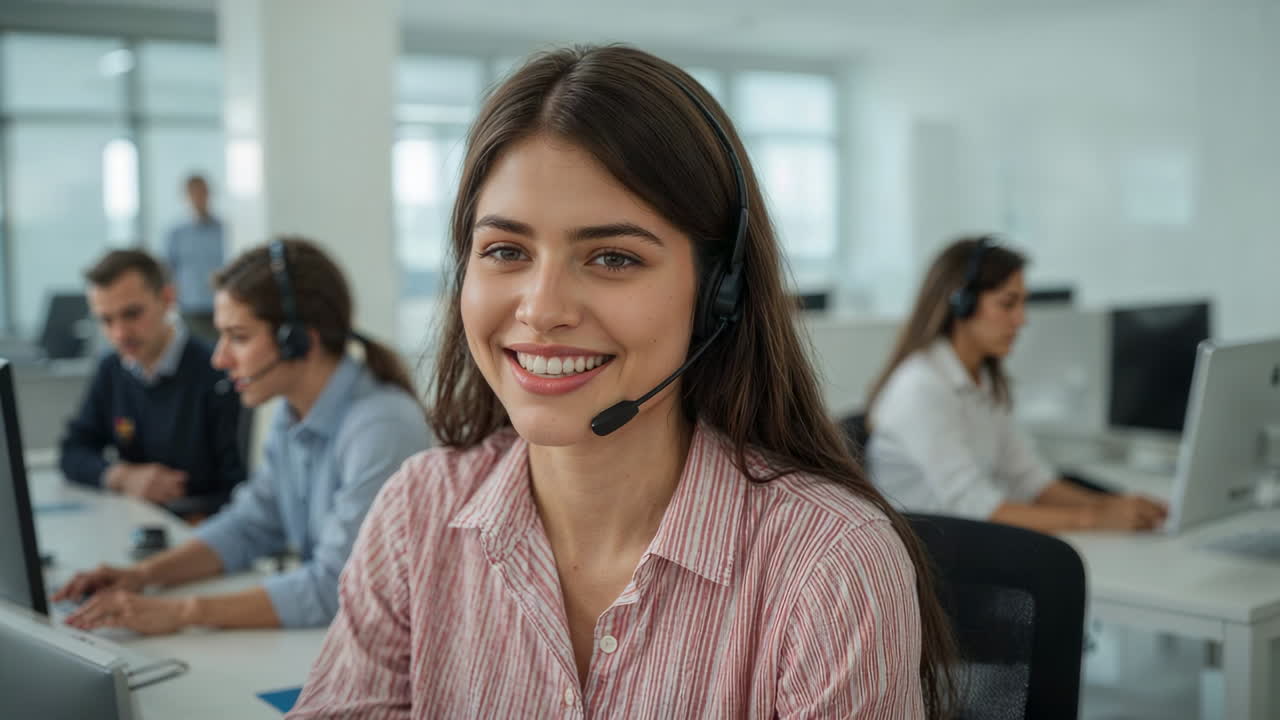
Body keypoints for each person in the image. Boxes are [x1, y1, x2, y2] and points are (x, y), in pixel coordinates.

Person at [290, 46, 955, 718]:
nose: (543, 309)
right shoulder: (416, 515)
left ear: (716, 296)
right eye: (506, 251)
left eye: (613, 257)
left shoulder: (829, 565)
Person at [53, 238, 431, 635]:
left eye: (239, 337)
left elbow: (334, 586)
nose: (220, 358)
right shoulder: (290, 416)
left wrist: (179, 612)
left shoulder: (380, 427)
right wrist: (142, 575)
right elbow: (251, 523)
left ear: (299, 340)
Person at [866, 236, 1168, 533]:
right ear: (961, 305)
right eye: (1007, 304)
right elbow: (974, 505)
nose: (1021, 319)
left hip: (970, 537)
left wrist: (1113, 506)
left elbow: (1030, 479)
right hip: (933, 552)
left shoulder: (983, 380)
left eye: (1022, 304)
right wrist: (1092, 518)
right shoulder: (921, 386)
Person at [60, 249, 244, 515]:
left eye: (132, 314)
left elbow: (239, 489)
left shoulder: (218, 372)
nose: (120, 334)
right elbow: (73, 451)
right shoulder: (111, 369)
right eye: (106, 320)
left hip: (199, 533)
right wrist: (123, 477)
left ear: (167, 299)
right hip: (134, 525)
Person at [165, 174, 225, 343]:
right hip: (190, 308)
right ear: (186, 196)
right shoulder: (176, 233)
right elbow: (169, 270)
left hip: (219, 305)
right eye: (193, 193)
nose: (198, 198)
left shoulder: (224, 229)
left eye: (202, 192)